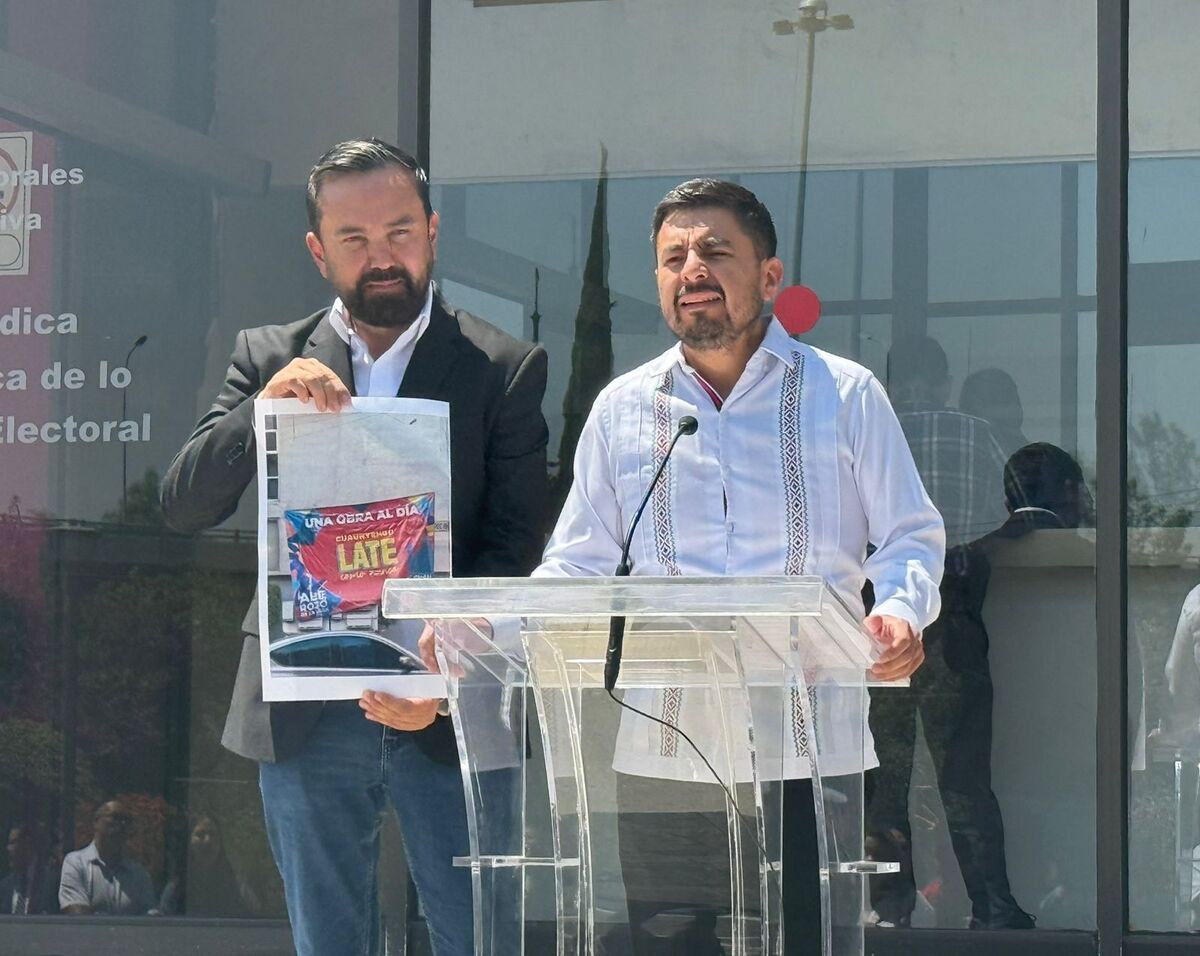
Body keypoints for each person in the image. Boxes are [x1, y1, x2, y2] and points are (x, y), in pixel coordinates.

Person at [533, 178, 943, 954]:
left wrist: (899, 609)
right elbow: (578, 564)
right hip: (664, 749)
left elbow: (910, 536)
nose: (693, 268)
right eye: (673, 257)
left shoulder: (844, 396)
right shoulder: (624, 409)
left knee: (805, 942)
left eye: (715, 250)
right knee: (670, 944)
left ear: (769, 276)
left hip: (808, 747)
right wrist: (485, 628)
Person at [160, 138, 549, 956]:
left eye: (400, 231)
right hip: (305, 712)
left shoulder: (502, 367)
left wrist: (442, 679)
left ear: (434, 231)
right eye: (355, 238)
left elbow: (515, 551)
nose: (382, 257)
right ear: (317, 250)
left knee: (479, 938)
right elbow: (184, 504)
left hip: (447, 708)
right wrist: (259, 412)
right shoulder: (266, 356)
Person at [868, 336, 1034, 929]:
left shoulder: (872, 433)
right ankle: (990, 907)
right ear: (941, 381)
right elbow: (1012, 517)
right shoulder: (973, 432)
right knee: (963, 775)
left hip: (879, 622)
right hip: (956, 618)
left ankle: (890, 912)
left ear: (892, 381)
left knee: (883, 777)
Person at [59, 800, 156, 915]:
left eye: (125, 820)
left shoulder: (139, 874)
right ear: (96, 822)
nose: (120, 825)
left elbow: (150, 915)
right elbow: (76, 912)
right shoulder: (76, 862)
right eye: (115, 817)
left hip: (130, 933)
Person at [158, 814, 261, 918]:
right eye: (200, 834)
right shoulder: (175, 890)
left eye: (212, 834)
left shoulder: (239, 889)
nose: (208, 841)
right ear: (189, 843)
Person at [0, 821, 58, 915]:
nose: (8, 848)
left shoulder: (52, 883)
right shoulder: (4, 887)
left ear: (28, 843)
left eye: (13, 842)